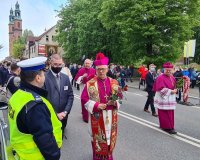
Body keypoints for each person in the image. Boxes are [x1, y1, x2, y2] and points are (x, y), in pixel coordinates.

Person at [8, 57, 62, 160]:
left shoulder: (17, 95)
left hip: (21, 154)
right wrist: (55, 155)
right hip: (36, 156)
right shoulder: (36, 106)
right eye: (43, 73)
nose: (44, 76)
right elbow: (45, 139)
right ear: (38, 78)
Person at [81, 52, 121, 160]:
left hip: (111, 116)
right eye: (99, 69)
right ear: (96, 70)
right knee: (97, 139)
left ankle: (109, 156)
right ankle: (98, 157)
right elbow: (84, 99)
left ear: (107, 69)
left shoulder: (114, 82)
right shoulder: (90, 83)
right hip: (97, 116)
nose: (101, 71)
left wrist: (115, 102)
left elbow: (120, 98)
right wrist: (96, 105)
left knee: (109, 138)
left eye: (103, 69)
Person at [44, 54, 74, 138]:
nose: (58, 66)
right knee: (51, 140)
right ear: (50, 63)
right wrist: (55, 114)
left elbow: (70, 96)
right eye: (55, 64)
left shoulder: (65, 77)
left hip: (64, 116)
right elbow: (43, 99)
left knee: (60, 135)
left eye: (60, 64)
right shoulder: (44, 77)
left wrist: (65, 111)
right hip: (50, 117)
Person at [153, 62, 177, 134]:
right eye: (167, 70)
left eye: (170, 70)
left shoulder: (172, 77)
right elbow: (160, 89)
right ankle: (166, 127)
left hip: (170, 98)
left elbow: (174, 85)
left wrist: (176, 89)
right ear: (164, 69)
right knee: (164, 113)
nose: (169, 71)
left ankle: (171, 126)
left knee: (170, 113)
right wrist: (171, 91)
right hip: (163, 98)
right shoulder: (160, 77)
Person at [74, 58, 96, 122]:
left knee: (92, 99)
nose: (87, 64)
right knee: (84, 100)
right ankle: (84, 113)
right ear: (84, 64)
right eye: (86, 63)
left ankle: (91, 110)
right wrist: (82, 77)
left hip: (91, 87)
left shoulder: (93, 70)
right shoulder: (81, 70)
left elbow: (96, 78)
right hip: (83, 87)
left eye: (88, 63)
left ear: (90, 64)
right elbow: (76, 79)